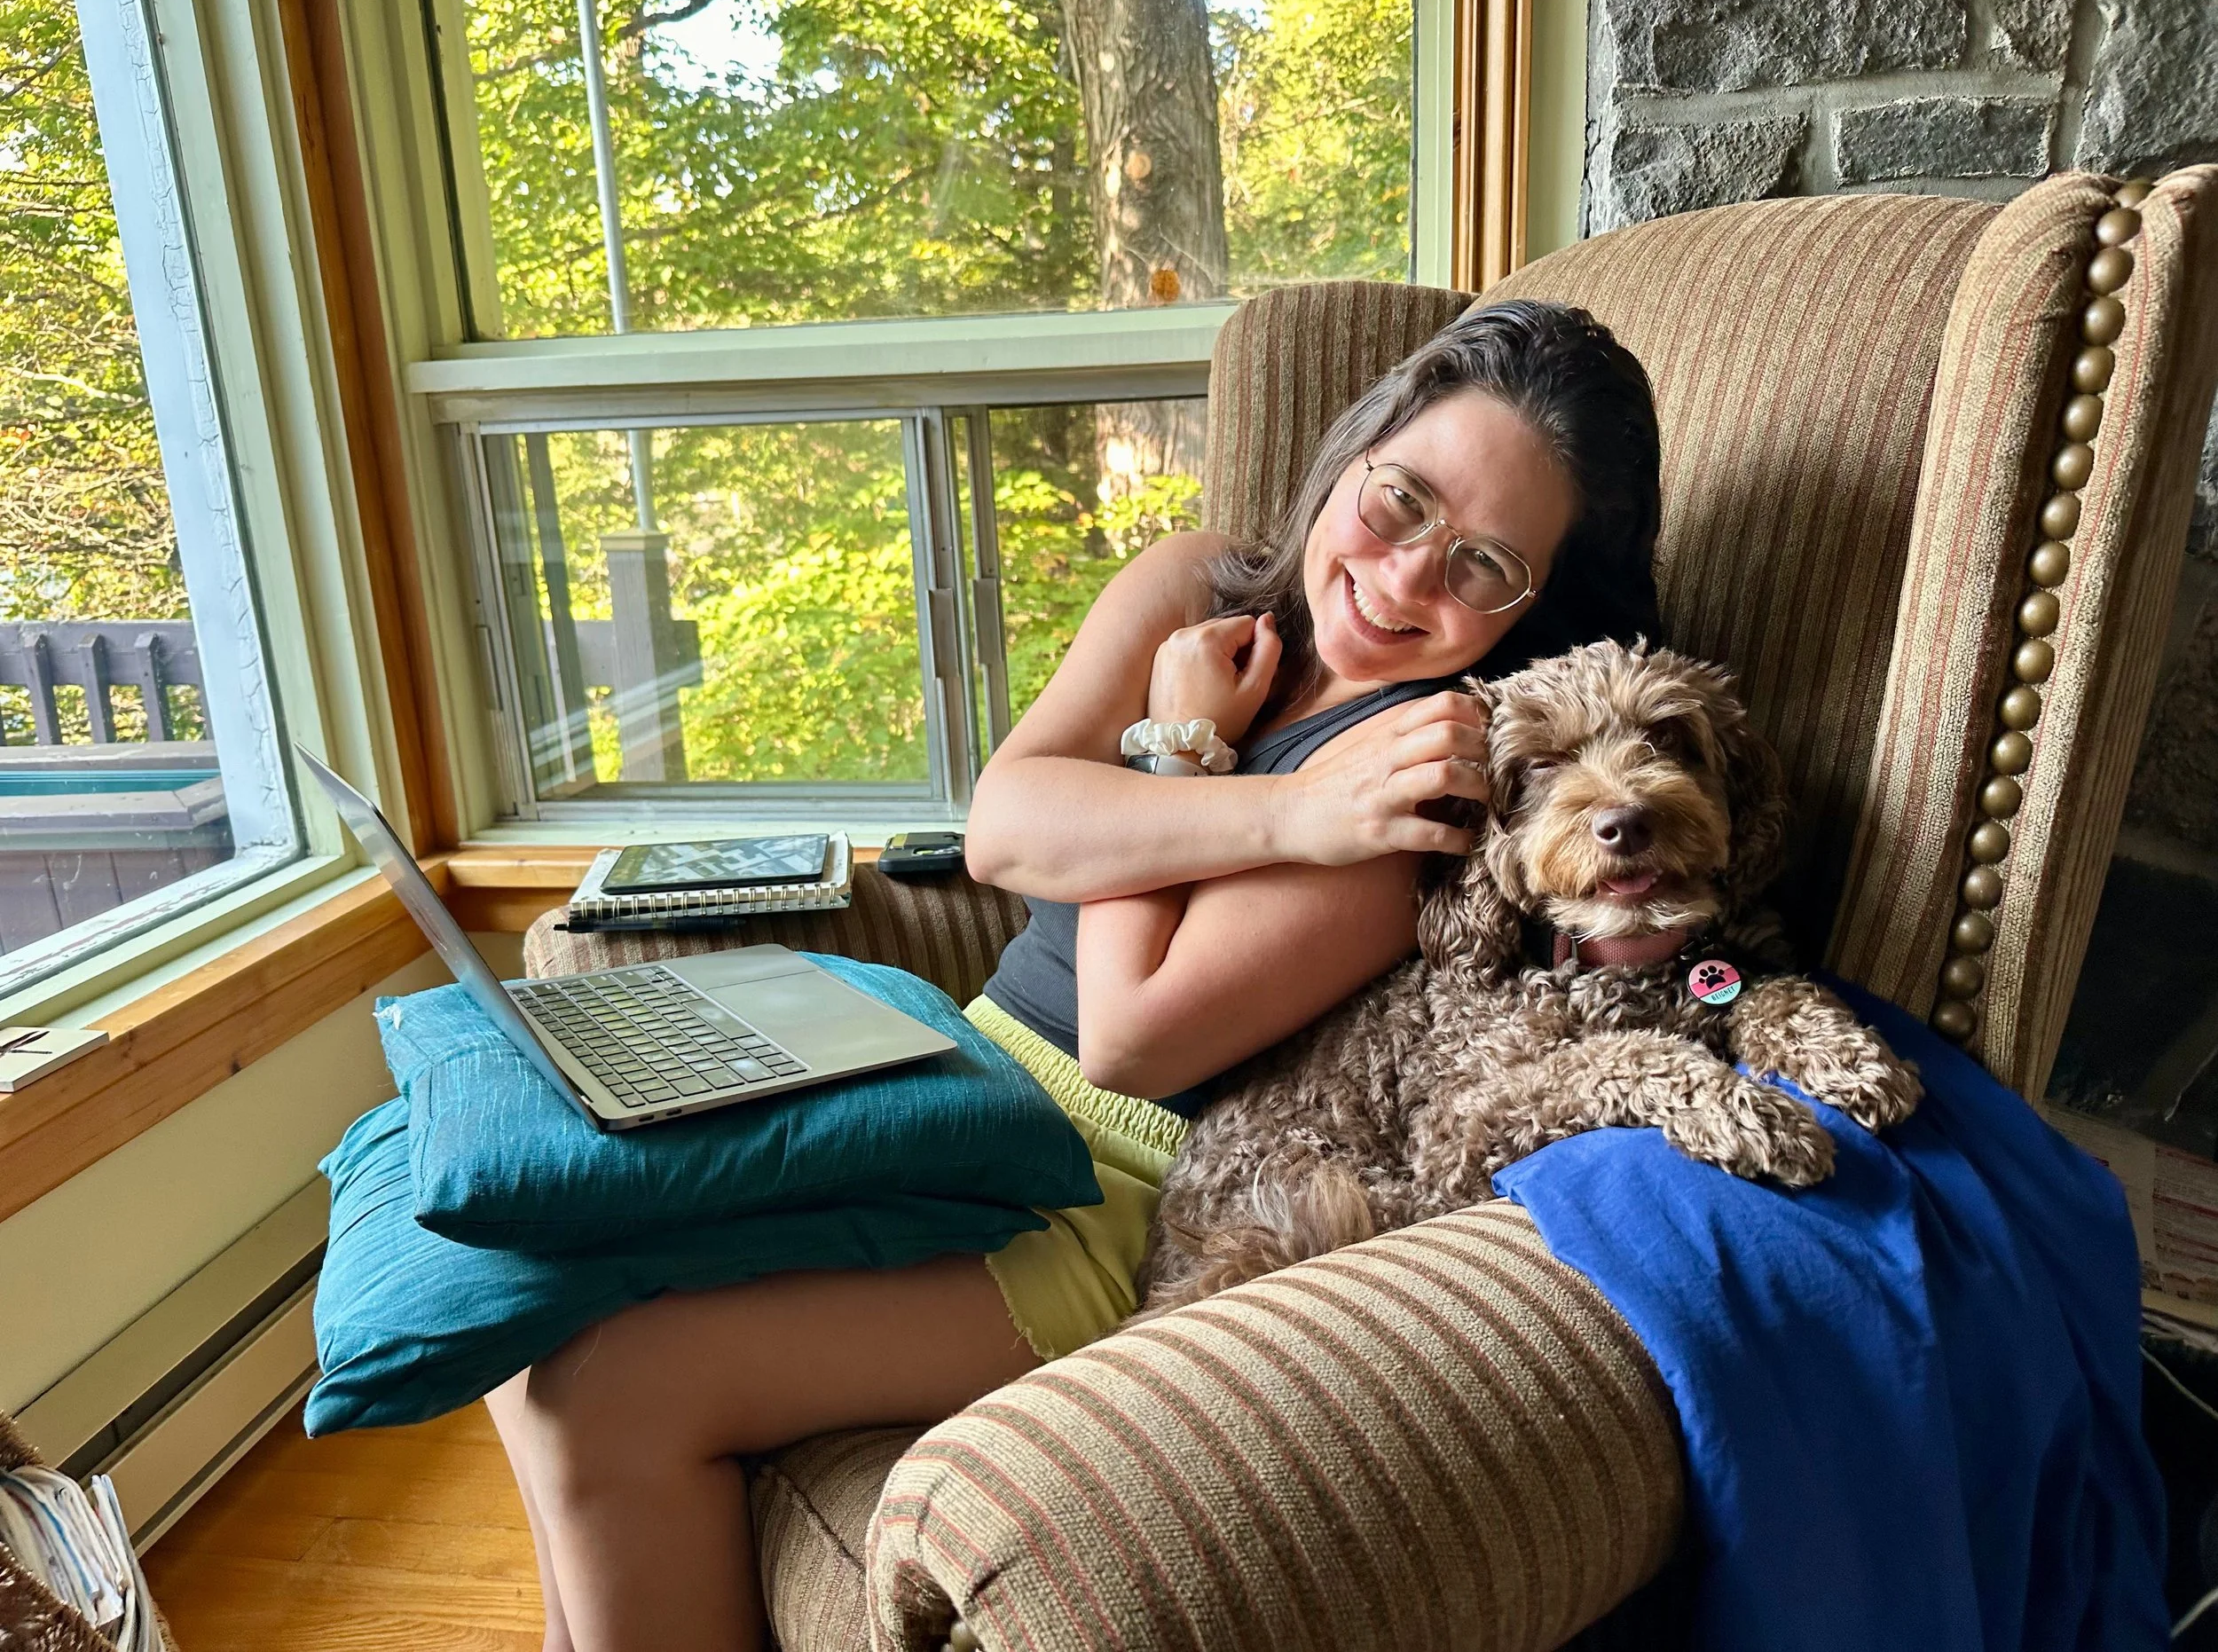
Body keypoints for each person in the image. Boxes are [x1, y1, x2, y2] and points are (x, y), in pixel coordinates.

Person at [484, 299, 1664, 1652]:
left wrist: (1166, 764)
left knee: (608, 1392)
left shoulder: (1425, 775)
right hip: (941, 1075)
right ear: (1359, 449)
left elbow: (1131, 1035)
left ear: (1541, 603)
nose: (1402, 582)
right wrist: (1259, 795)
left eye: (1484, 567)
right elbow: (1007, 827)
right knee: (523, 1311)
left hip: (1104, 1198)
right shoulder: (1196, 587)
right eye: (1398, 501)